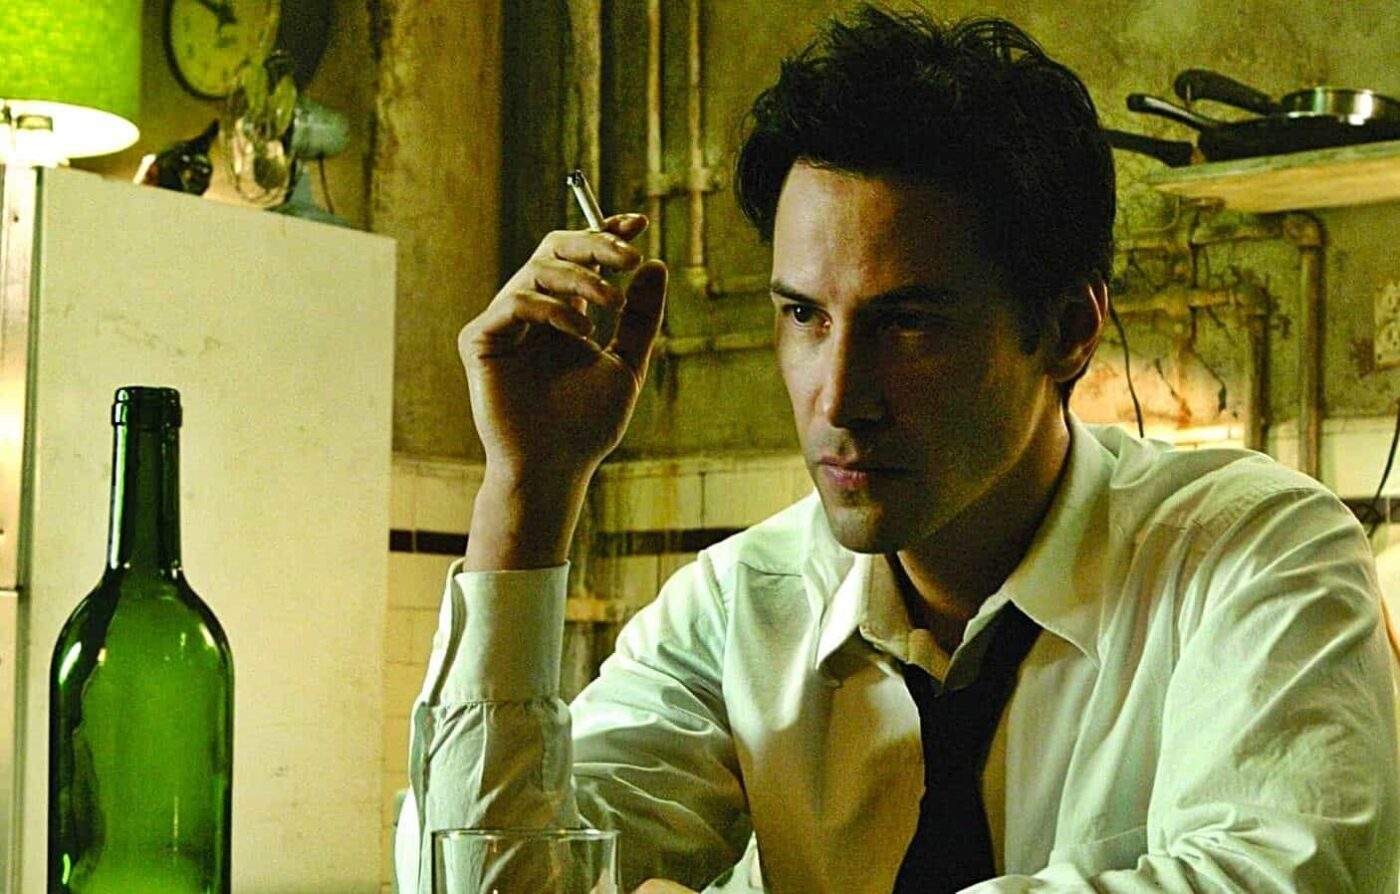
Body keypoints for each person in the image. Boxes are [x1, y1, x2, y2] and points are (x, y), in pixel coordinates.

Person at [395, 5, 1400, 893]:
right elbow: (487, 883)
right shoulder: (739, 610)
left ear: (1067, 330)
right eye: (803, 315)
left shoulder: (1254, 553)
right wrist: (528, 486)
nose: (839, 398)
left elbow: (1282, 877)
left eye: (908, 324)